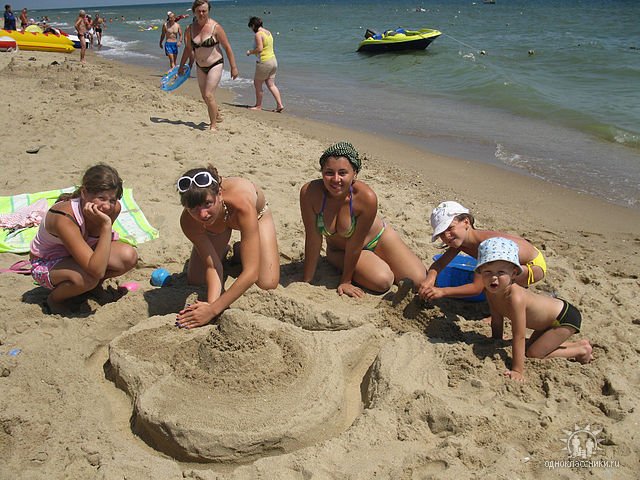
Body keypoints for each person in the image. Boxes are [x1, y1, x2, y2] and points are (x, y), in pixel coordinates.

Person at [300, 142, 426, 298]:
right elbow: (313, 238)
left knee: (418, 282)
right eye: (329, 172)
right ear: (322, 172)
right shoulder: (310, 193)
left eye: (343, 173)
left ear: (355, 173)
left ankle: (379, 263)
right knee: (383, 281)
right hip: (341, 250)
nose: (336, 179)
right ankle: (370, 266)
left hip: (378, 239)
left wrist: (346, 281)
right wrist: (306, 281)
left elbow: (356, 243)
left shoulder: (366, 198)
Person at [475, 237, 592, 382]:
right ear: (480, 272)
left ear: (514, 273)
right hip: (547, 320)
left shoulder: (515, 298)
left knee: (533, 353)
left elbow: (519, 335)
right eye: (487, 272)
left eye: (500, 272)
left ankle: (581, 351)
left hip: (563, 318)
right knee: (530, 347)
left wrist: (517, 370)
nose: (493, 278)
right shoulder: (490, 292)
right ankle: (579, 344)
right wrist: (496, 341)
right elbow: (497, 319)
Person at [175, 165, 279, 328]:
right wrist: (211, 305)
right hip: (217, 225)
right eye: (193, 208)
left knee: (268, 282)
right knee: (196, 279)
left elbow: (251, 273)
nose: (202, 214)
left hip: (256, 217)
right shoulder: (188, 222)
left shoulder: (242, 204)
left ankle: (241, 250)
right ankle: (222, 250)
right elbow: (213, 267)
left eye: (207, 203)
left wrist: (212, 310)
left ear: (219, 194)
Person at [29, 164, 138, 314]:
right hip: (48, 262)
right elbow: (97, 270)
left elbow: (101, 248)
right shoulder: (65, 218)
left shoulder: (114, 209)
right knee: (88, 278)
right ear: (84, 193)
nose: (107, 206)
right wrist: (106, 226)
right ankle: (54, 299)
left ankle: (92, 287)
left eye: (112, 200)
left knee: (128, 256)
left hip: (81, 254)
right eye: (101, 198)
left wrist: (105, 226)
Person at [418, 201, 547, 301]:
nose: (446, 236)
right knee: (492, 272)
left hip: (533, 266)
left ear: (466, 222)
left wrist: (442, 292)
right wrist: (430, 278)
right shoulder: (460, 241)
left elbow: (476, 288)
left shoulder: (486, 246)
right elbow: (440, 263)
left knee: (493, 278)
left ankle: (500, 309)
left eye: (450, 228)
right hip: (523, 253)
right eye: (441, 233)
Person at [177, 0, 238, 131]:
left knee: (208, 94)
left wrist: (233, 67)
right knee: (204, 96)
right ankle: (217, 114)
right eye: (198, 11)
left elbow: (227, 47)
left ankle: (213, 125)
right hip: (200, 66)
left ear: (208, 11)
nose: (201, 13)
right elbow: (188, 49)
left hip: (215, 64)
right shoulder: (189, 29)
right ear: (194, 12)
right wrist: (181, 66)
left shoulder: (216, 27)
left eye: (204, 11)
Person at [246, 16, 284, 112]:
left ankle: (258, 106)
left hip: (264, 62)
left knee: (257, 83)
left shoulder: (258, 34)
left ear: (253, 25)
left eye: (251, 27)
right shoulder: (268, 32)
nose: (252, 30)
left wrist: (250, 52)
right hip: (273, 61)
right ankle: (279, 105)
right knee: (271, 84)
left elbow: (260, 49)